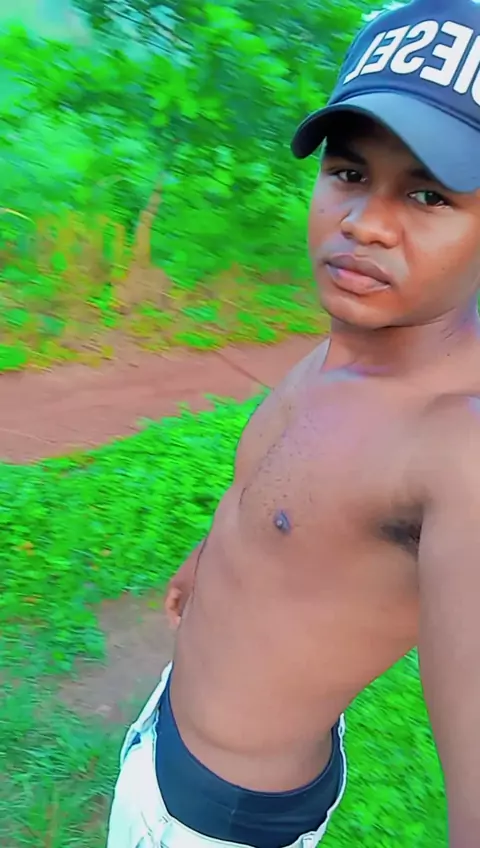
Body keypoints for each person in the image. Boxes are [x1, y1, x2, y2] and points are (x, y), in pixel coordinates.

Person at [106, 1, 480, 845]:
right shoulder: (354, 337)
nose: (365, 222)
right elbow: (277, 493)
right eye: (349, 173)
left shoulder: (459, 449)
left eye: (429, 193)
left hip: (218, 821)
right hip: (170, 725)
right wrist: (212, 557)